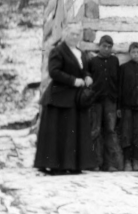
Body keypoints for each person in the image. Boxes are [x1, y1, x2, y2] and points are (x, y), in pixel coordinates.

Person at [34, 24, 96, 174]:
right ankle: (56, 165)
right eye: (72, 34)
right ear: (65, 34)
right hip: (58, 98)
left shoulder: (80, 53)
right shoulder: (58, 51)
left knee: (73, 133)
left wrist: (87, 76)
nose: (75, 37)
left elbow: (84, 69)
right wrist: (73, 81)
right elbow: (54, 72)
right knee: (59, 133)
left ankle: (72, 165)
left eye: (78, 34)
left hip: (74, 99)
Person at [85, 34, 123, 171]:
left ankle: (110, 164)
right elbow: (88, 77)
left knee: (110, 131)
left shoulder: (114, 61)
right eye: (104, 46)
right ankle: (94, 162)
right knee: (95, 130)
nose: (106, 49)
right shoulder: (93, 61)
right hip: (96, 101)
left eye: (109, 47)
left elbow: (117, 82)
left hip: (111, 101)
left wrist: (118, 104)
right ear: (99, 46)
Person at [118, 42, 138, 171]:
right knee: (126, 133)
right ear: (129, 53)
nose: (136, 54)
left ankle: (136, 160)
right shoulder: (123, 68)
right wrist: (119, 107)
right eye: (133, 52)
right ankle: (127, 161)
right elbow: (119, 88)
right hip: (126, 106)